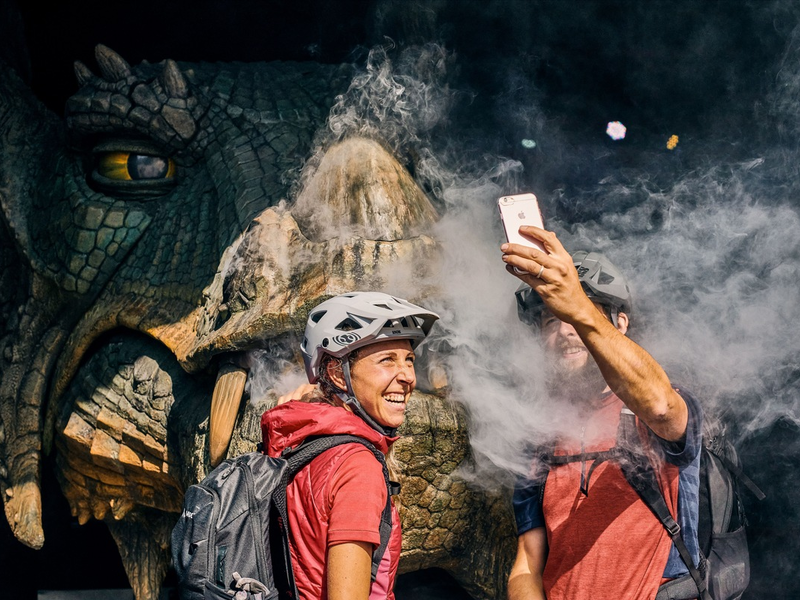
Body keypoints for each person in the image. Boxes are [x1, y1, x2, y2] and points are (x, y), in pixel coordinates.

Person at [500, 226, 704, 600]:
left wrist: (576, 306)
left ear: (621, 323)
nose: (565, 331)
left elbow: (661, 408)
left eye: (578, 314)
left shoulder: (658, 403)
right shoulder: (540, 432)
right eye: (550, 320)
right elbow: (527, 563)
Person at [260, 291, 439, 600]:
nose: (408, 376)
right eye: (387, 360)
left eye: (409, 359)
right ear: (336, 374)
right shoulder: (357, 466)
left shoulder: (296, 444)